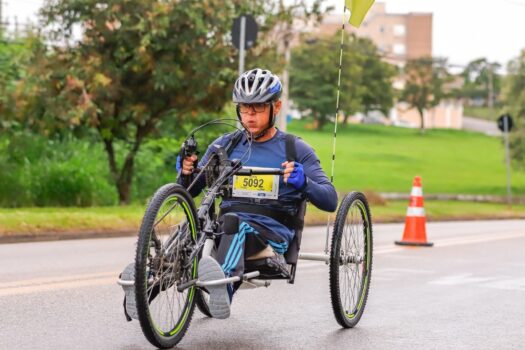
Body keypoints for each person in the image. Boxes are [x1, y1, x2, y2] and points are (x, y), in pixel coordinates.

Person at [177, 68, 337, 319]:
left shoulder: (296, 149)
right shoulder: (224, 145)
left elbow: (330, 200)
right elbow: (191, 191)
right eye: (244, 107)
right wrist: (186, 174)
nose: (249, 115)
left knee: (234, 223)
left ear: (277, 107)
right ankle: (148, 280)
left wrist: (304, 182)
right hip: (222, 228)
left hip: (270, 235)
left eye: (258, 108)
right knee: (188, 226)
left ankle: (224, 288)